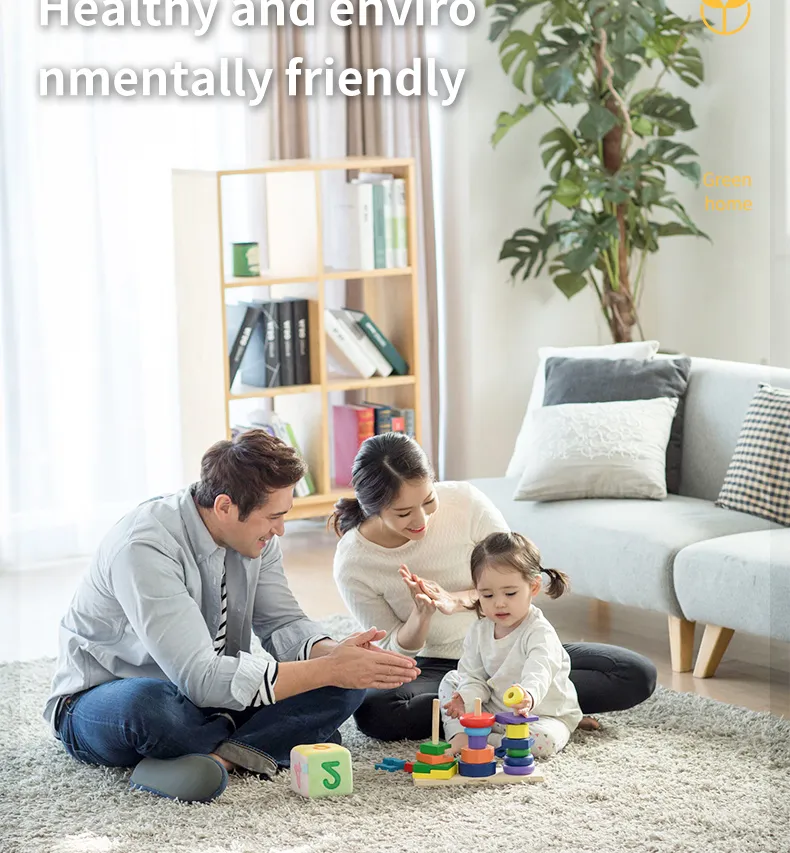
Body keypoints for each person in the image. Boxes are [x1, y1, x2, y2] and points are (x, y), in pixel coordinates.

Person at [44, 430, 420, 803]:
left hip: (208, 697)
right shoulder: (144, 547)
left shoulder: (256, 538)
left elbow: (283, 623)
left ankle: (219, 759)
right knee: (151, 709)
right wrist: (325, 672)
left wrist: (336, 655)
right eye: (273, 516)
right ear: (225, 507)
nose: (280, 529)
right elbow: (201, 678)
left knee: (346, 683)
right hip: (107, 698)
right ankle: (271, 739)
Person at [331, 433, 657, 742]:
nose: (422, 520)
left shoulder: (465, 501)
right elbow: (393, 654)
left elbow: (514, 576)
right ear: (373, 508)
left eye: (429, 501)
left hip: (512, 647)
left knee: (634, 673)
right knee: (376, 711)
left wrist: (455, 600)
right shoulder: (354, 562)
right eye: (404, 513)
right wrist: (422, 616)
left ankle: (494, 709)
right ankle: (524, 710)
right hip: (437, 668)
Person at [440, 531, 582, 758]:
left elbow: (540, 672)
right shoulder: (479, 630)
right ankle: (461, 735)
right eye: (487, 595)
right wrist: (464, 697)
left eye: (510, 593)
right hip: (496, 711)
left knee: (542, 742)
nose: (499, 603)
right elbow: (474, 677)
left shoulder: (539, 632)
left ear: (533, 587)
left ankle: (483, 738)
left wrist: (528, 695)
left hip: (540, 716)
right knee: (451, 680)